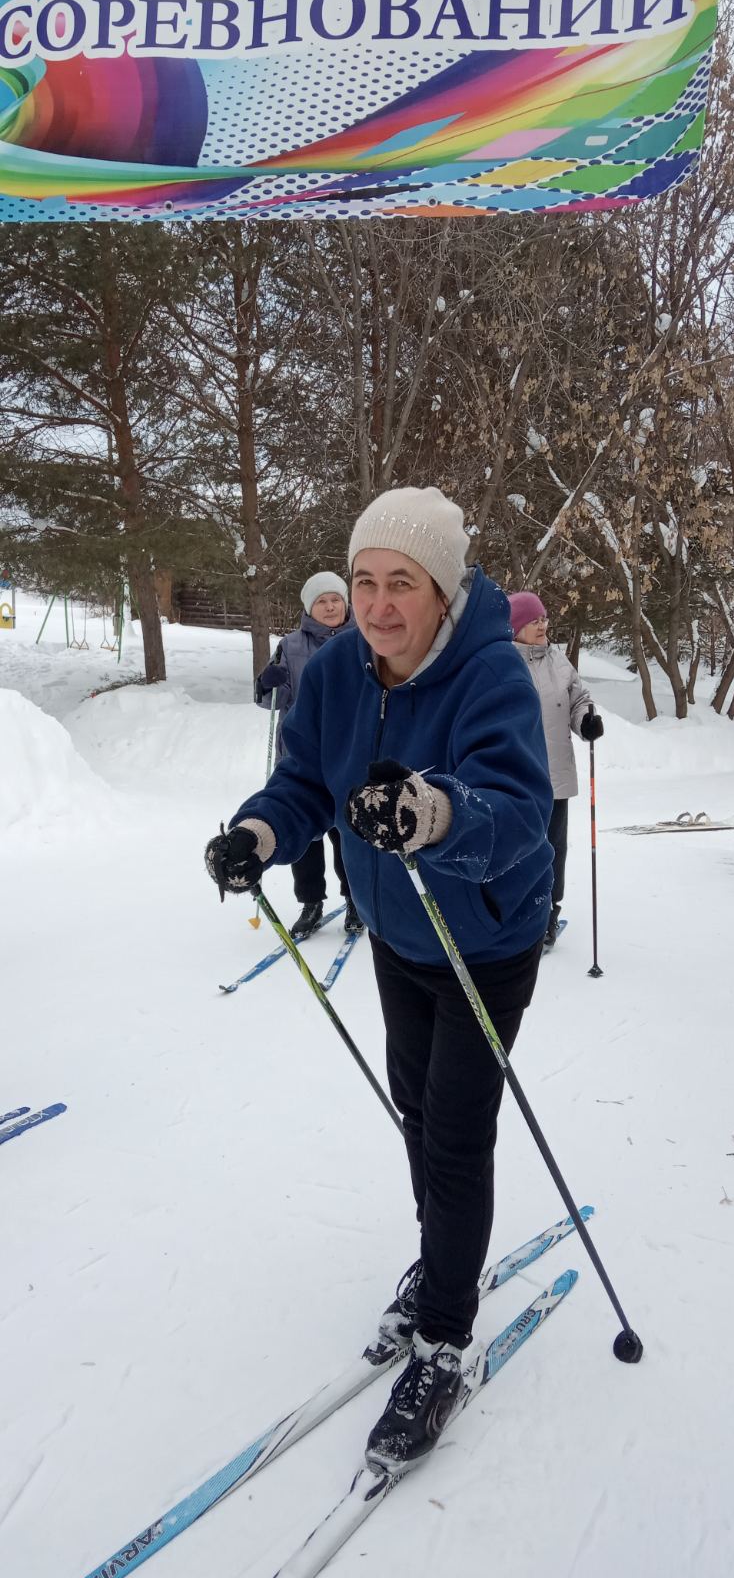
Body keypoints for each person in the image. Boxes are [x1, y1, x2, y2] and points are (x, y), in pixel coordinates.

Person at [207, 487, 554, 1472]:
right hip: (402, 933)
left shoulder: (489, 671)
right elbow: (304, 783)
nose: (378, 603)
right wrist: (259, 834)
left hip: (483, 938)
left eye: (402, 582)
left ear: (442, 590)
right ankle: (442, 1260)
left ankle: (444, 1333)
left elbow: (517, 808)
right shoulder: (335, 673)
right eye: (365, 581)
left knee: (455, 1130)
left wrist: (431, 812)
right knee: (417, 1109)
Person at [255, 571, 361, 937]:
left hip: (349, 752)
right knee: (305, 836)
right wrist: (267, 683)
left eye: (335, 599)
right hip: (302, 752)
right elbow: (273, 701)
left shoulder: (366, 639)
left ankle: (355, 901)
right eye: (321, 601)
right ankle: (311, 902)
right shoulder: (290, 645)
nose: (330, 607)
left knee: (349, 832)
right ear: (309, 609)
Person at [507, 591, 603, 946]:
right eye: (534, 620)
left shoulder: (558, 661)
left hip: (555, 776)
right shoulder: (501, 662)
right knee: (518, 848)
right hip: (514, 776)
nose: (542, 624)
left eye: (544, 618)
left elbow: (579, 698)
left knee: (553, 848)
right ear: (516, 626)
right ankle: (514, 911)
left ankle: (547, 912)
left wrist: (586, 719)